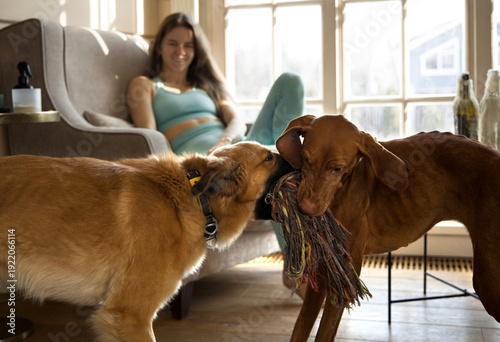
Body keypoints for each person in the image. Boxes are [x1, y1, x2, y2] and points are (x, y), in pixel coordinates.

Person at [126, 12, 306, 297]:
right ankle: (299, 265)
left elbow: (235, 120)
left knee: (290, 81)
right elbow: (150, 139)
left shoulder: (206, 87)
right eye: (173, 43)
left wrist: (225, 141)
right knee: (274, 178)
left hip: (241, 145)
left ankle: (294, 161)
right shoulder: (145, 86)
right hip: (214, 166)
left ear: (196, 51)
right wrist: (195, 167)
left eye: (188, 45)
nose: (181, 52)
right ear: (159, 46)